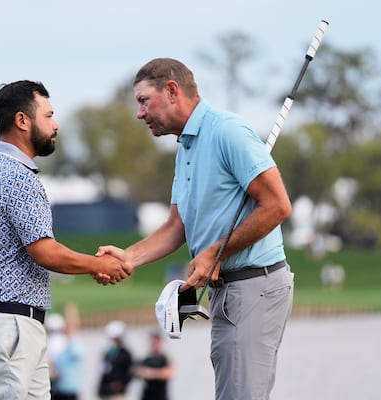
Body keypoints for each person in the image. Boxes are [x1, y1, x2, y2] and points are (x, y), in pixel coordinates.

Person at [95, 58, 294, 400]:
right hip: (228, 291)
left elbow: (277, 205)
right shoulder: (185, 147)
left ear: (172, 91)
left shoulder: (228, 131)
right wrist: (128, 257)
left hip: (254, 285)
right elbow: (177, 227)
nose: (140, 113)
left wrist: (215, 252)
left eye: (144, 101)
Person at [0, 80, 131, 400]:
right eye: (49, 115)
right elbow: (45, 252)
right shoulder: (17, 175)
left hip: (6, 323)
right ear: (23, 121)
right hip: (8, 325)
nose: (56, 124)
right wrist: (99, 264)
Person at [97, 320, 133, 400]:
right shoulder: (108, 352)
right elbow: (104, 372)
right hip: (105, 392)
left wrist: (120, 384)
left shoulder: (125, 354)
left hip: (117, 394)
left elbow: (130, 372)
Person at [134, 332, 174, 400]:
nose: (154, 345)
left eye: (156, 343)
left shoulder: (164, 359)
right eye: (152, 343)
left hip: (161, 396)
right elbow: (138, 372)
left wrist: (151, 373)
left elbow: (169, 373)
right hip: (147, 396)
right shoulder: (146, 359)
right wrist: (159, 373)